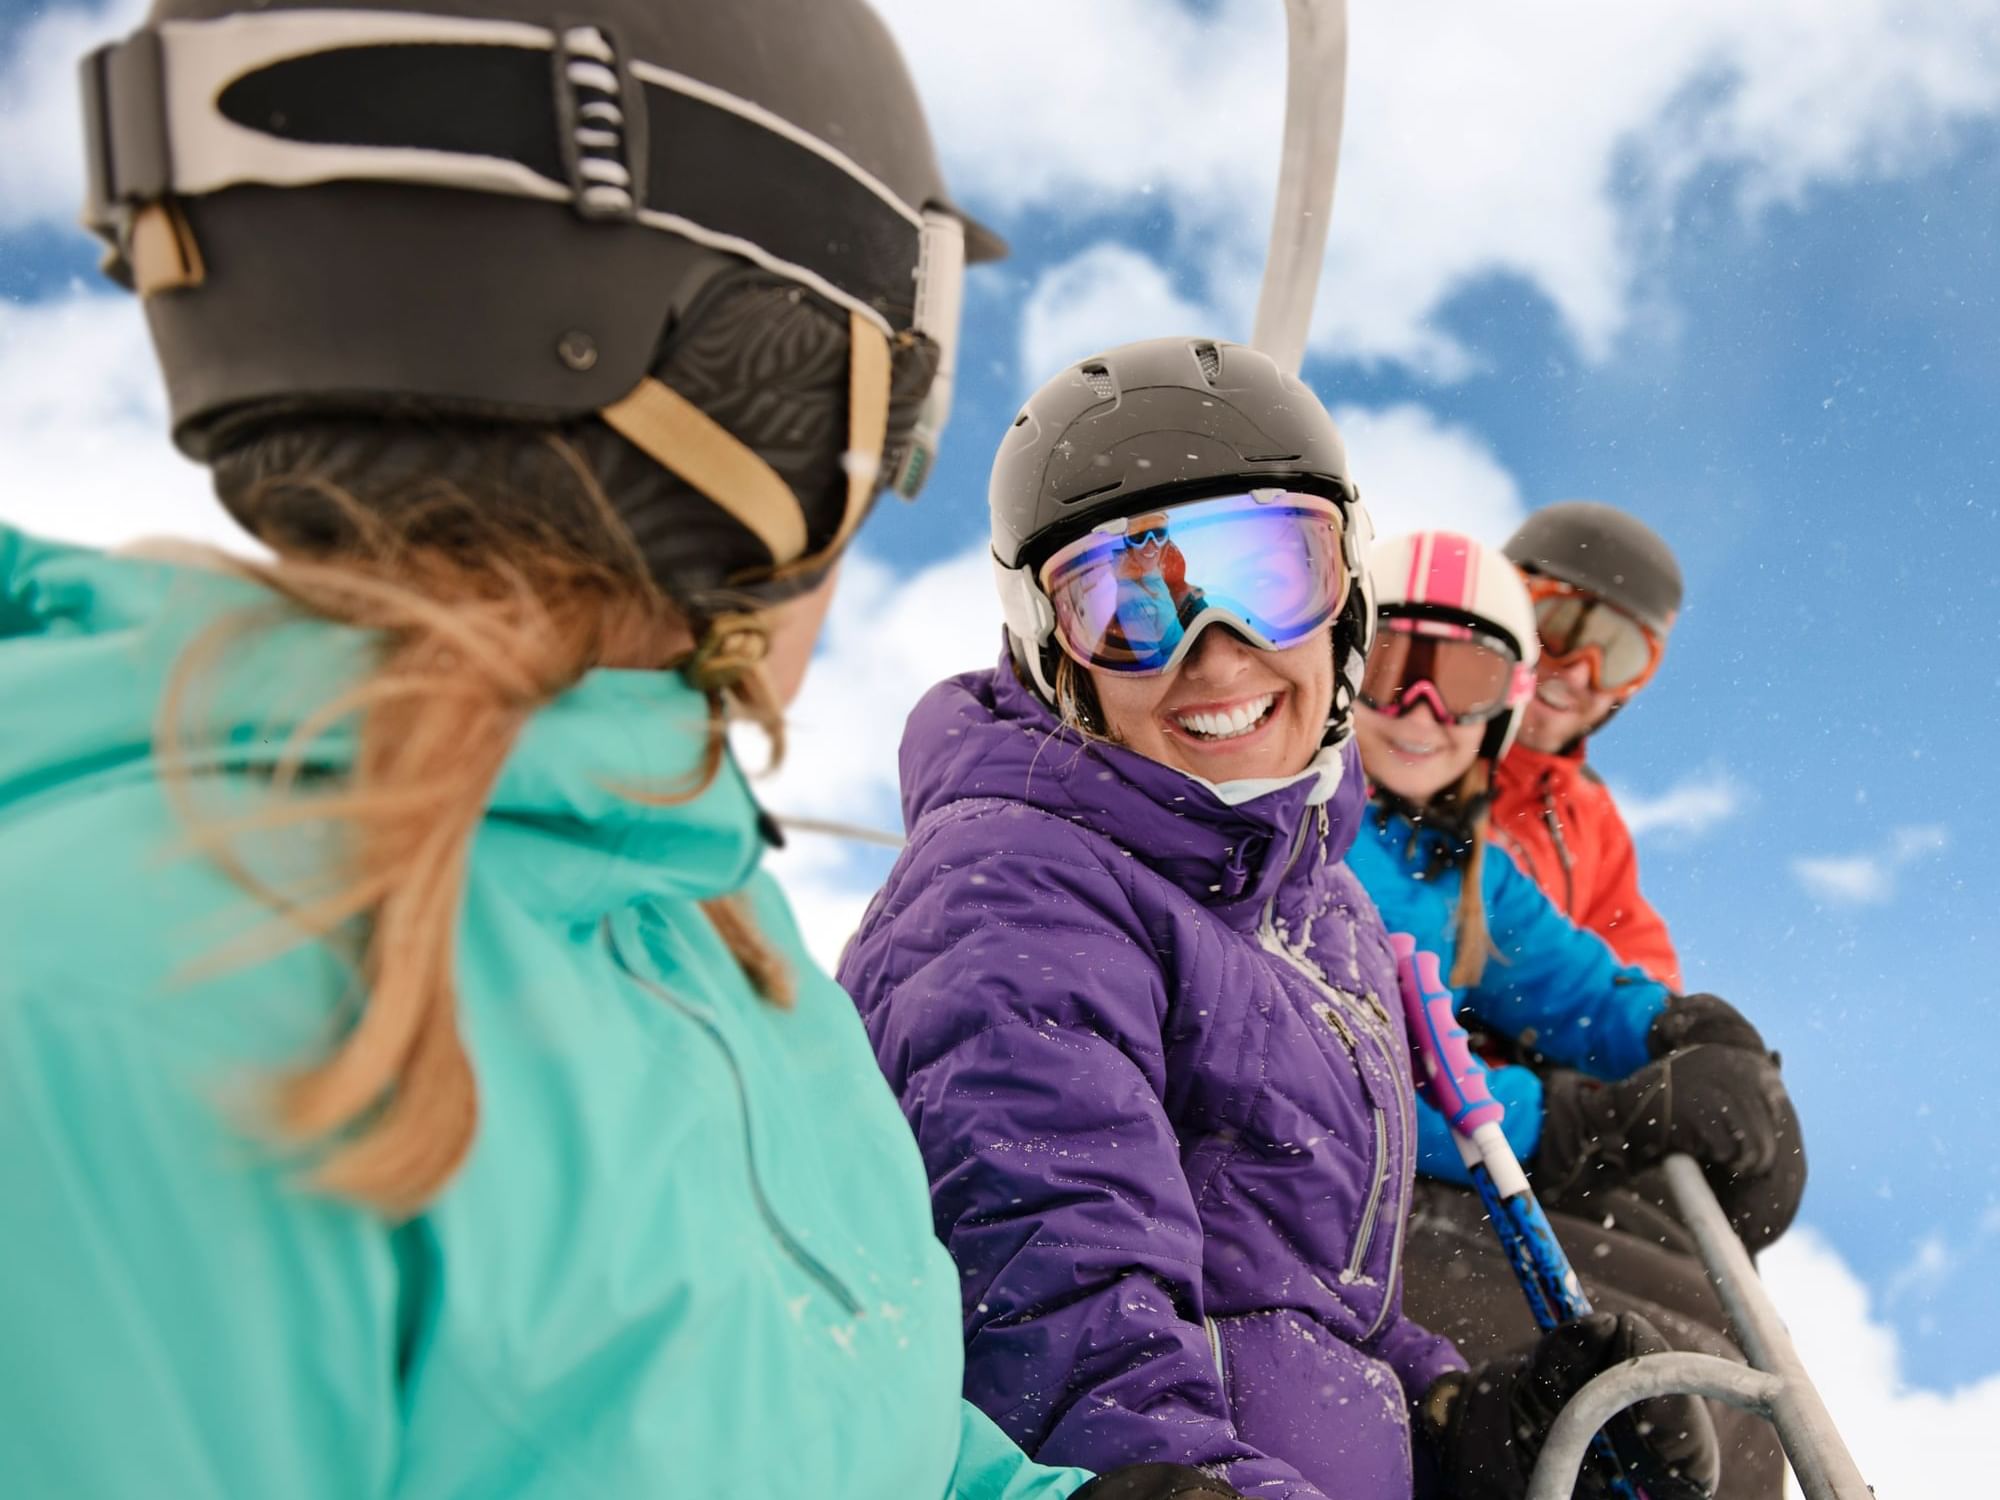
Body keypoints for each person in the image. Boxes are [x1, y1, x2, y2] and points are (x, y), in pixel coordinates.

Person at [0, 3, 1216, 1495]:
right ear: (785, 374)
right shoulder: (115, 1017)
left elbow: (826, 1426)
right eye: (899, 390)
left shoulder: (699, 904)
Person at [839, 339, 1720, 1500]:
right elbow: (1078, 1376)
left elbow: (1321, 1306)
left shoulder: (1314, 899)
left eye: (1268, 576)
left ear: (1343, 598)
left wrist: (1465, 1425)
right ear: (1053, 651)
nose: (1215, 655)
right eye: (1127, 603)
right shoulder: (1008, 898)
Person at [1347, 529, 1804, 1499]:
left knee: (1704, 1347)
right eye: (1397, 671)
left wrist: (1684, 1040)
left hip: (1460, 1144)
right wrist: (1561, 1122)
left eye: (1461, 683)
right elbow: (1338, 1071)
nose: (1424, 710)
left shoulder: (1456, 853)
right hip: (1361, 1186)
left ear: (1495, 708)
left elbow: (1580, 983)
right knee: (1633, 1377)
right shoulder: (1307, 822)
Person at [1490, 502, 1686, 986]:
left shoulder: (1587, 816)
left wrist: (1675, 1039)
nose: (1578, 671)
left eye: (1617, 656)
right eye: (1561, 627)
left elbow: (1634, 960)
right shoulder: (1408, 740)